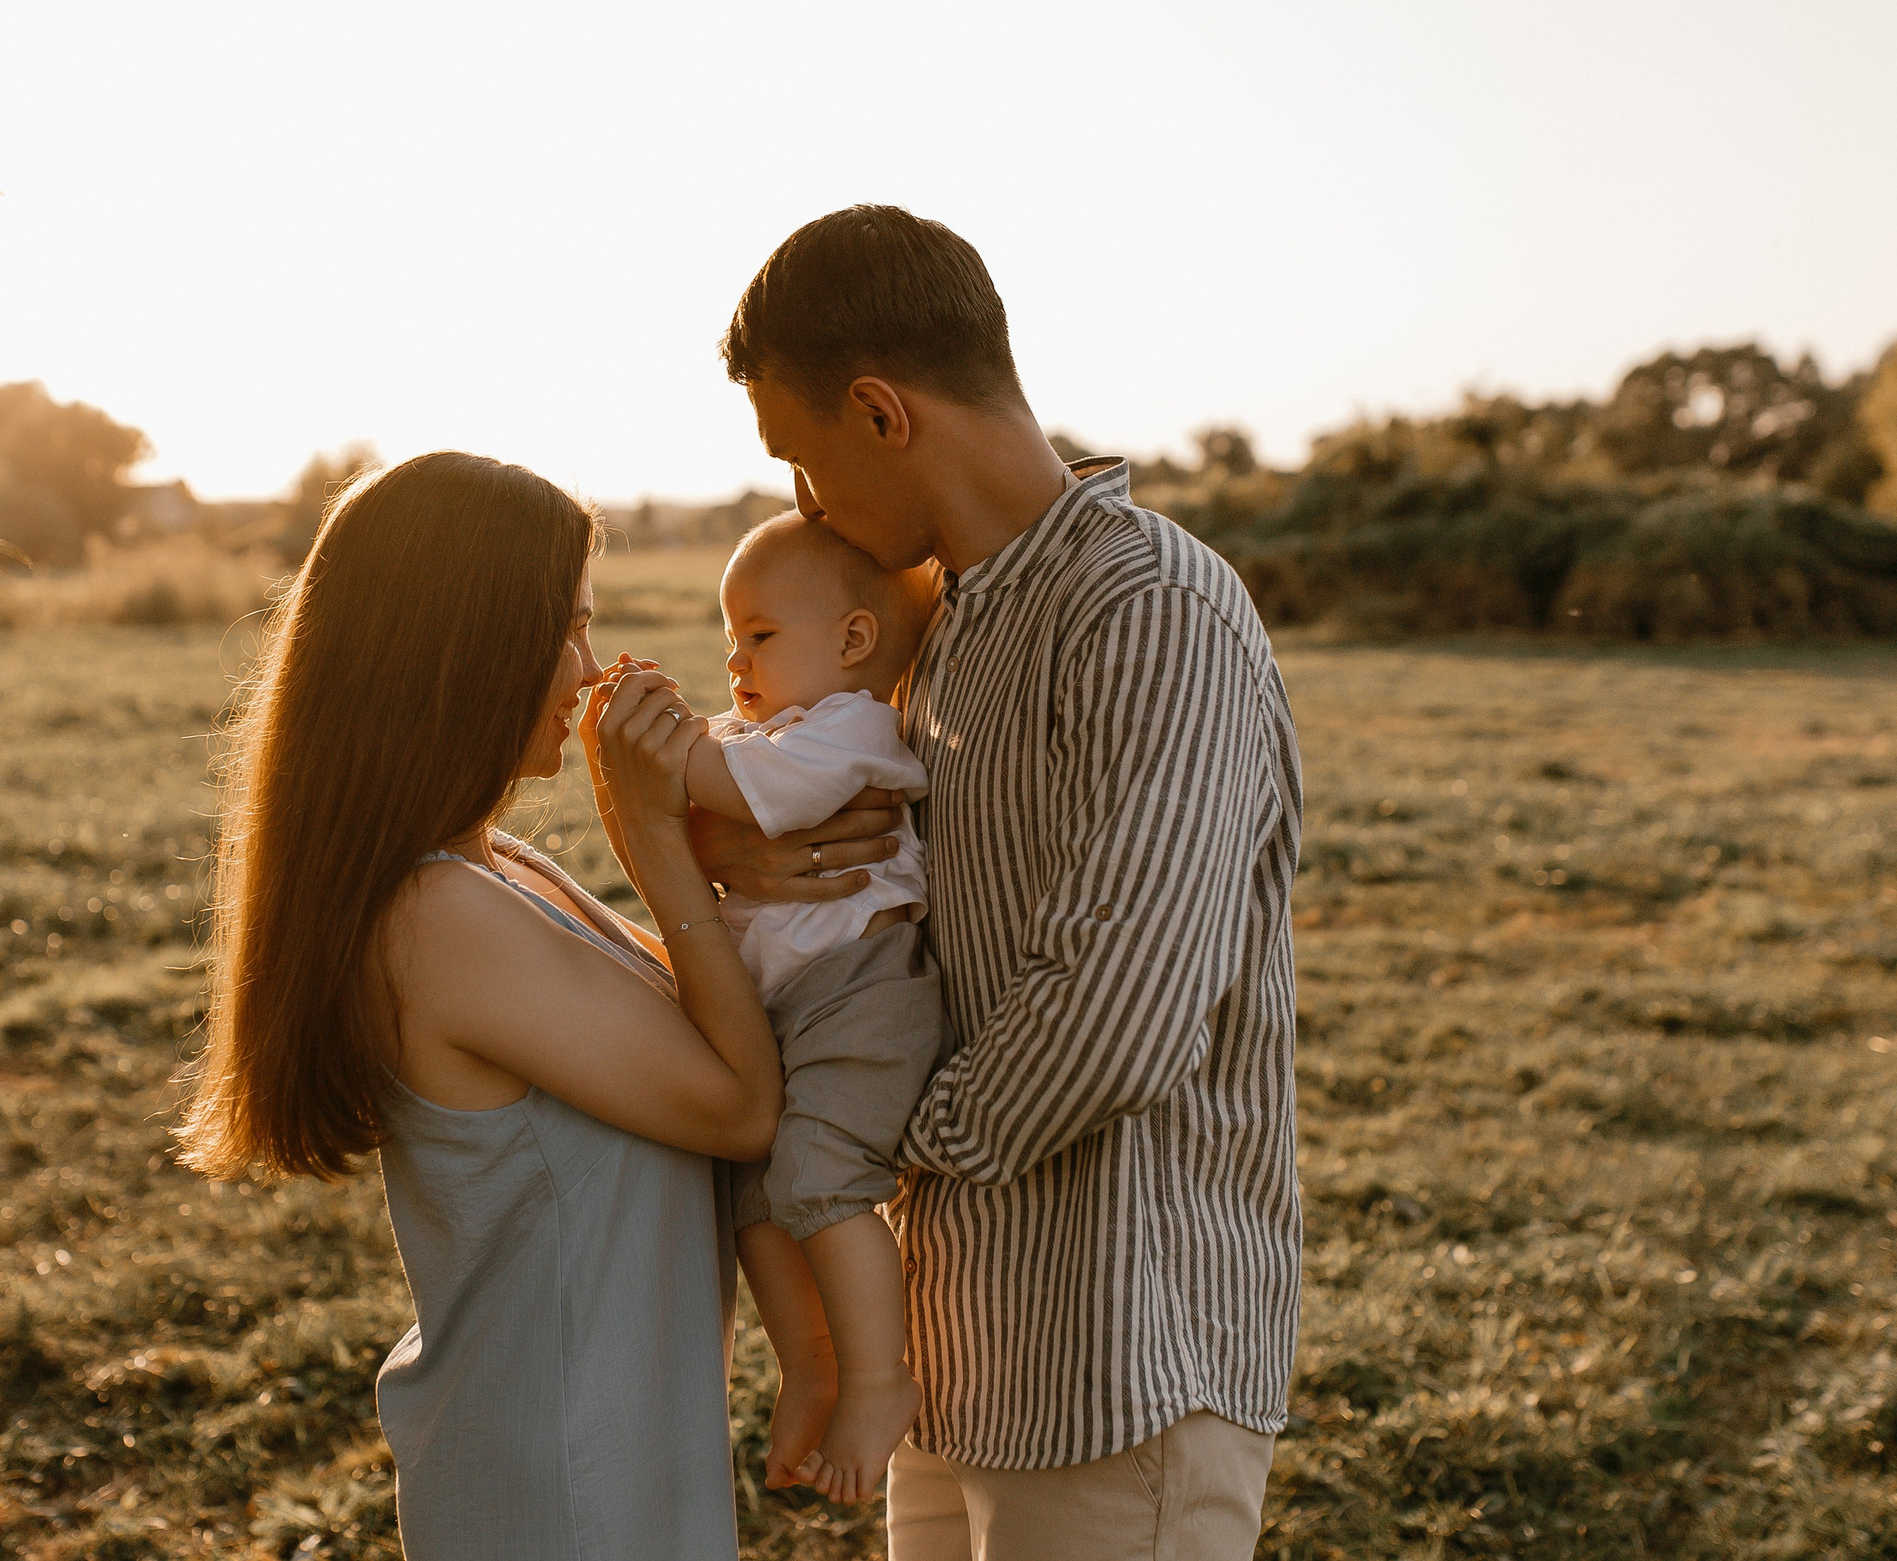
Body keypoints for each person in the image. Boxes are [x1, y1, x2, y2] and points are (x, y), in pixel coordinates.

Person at [694, 206, 1306, 1558]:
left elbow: (1116, 1013)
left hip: (1116, 1357)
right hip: (955, 1344)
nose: (806, 505)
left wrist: (864, 1128)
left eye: (801, 458)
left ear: (877, 411)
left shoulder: (1150, 610)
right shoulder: (948, 625)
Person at [175, 451, 784, 1561]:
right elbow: (742, 1101)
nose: (591, 676)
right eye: (566, 632)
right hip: (562, 1487)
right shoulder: (436, 920)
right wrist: (652, 841)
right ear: (458, 649)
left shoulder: (496, 868)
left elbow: (732, 1010)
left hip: (605, 1447)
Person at [665, 511, 949, 1503]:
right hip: (788, 1009)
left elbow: (747, 790)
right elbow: (725, 781)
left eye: (760, 635)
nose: (734, 658)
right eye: (730, 637)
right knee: (753, 1200)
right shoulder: (769, 729)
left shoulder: (850, 730)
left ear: (854, 642)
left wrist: (654, 755)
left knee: (823, 1181)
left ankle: (880, 1380)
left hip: (861, 995)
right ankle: (812, 1365)